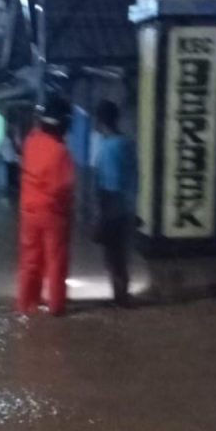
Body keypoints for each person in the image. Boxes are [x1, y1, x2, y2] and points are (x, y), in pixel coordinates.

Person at [17, 95, 75, 317]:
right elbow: (65, 187)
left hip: (28, 212)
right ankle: (56, 307)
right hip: (53, 215)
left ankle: (25, 305)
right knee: (55, 261)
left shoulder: (31, 142)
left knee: (30, 260)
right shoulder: (61, 152)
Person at [93, 99, 137, 307]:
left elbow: (111, 185)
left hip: (113, 209)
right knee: (121, 255)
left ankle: (120, 299)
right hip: (127, 209)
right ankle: (123, 296)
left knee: (113, 257)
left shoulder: (110, 147)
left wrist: (102, 216)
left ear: (101, 122)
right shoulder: (127, 143)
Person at [0, 123, 21, 192]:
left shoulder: (4, 141)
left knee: (10, 174)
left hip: (8, 160)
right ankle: (13, 186)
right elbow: (15, 150)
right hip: (11, 160)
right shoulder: (9, 141)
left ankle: (11, 186)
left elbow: (0, 150)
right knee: (13, 174)